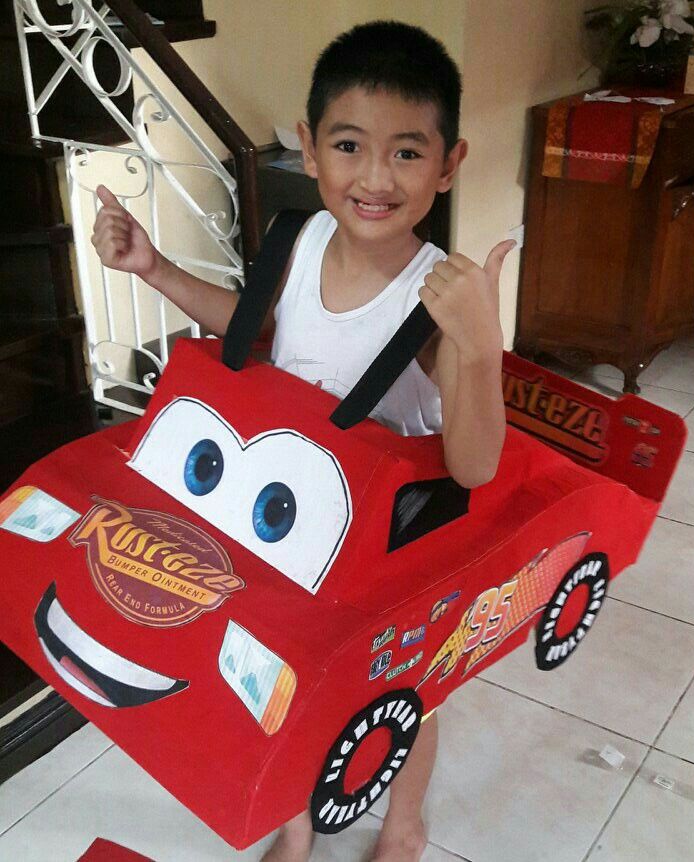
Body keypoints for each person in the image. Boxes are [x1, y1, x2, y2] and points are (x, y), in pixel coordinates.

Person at [91, 20, 513, 862]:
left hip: (389, 538)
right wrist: (156, 269)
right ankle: (297, 816)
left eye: (407, 152)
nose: (374, 177)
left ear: (449, 163)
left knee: (406, 692)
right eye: (350, 145)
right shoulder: (298, 236)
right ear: (309, 149)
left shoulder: (435, 297)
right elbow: (257, 327)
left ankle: (403, 824)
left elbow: (475, 463)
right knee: (290, 685)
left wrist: (479, 344)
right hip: (289, 517)